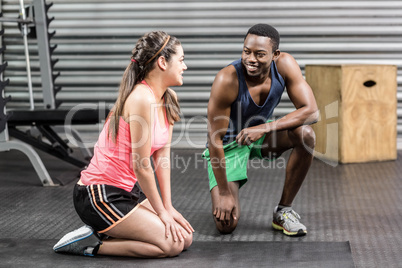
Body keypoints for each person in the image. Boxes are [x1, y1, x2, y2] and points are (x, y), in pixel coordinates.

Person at [53, 31, 194, 258]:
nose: (185, 66)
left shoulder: (168, 98)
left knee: (184, 238)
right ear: (162, 62)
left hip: (127, 191)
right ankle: (91, 244)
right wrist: (161, 213)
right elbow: (142, 166)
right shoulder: (141, 99)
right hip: (98, 195)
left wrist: (168, 208)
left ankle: (108, 233)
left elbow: (162, 157)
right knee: (172, 245)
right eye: (181, 60)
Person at [203, 23, 318, 236]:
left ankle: (283, 211)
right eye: (246, 51)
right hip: (229, 145)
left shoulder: (285, 64)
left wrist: (264, 128)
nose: (251, 59)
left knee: (306, 135)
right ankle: (227, 194)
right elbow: (214, 140)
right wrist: (225, 193)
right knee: (226, 225)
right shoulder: (226, 79)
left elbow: (312, 112)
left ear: (275, 55)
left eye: (260, 54)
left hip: (260, 136)